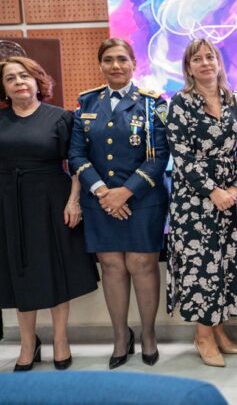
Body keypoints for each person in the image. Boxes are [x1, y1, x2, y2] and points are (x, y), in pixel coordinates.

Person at [68, 38, 169, 369]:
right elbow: (76, 154)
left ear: (133, 63)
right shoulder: (86, 103)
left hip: (143, 200)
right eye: (108, 59)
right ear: (100, 64)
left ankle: (149, 335)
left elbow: (159, 156)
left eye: (122, 59)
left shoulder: (152, 104)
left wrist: (125, 192)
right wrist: (102, 192)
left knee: (142, 264)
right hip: (100, 201)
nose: (115, 65)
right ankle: (120, 337)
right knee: (111, 266)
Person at [0, 57, 99, 371]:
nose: (19, 82)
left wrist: (74, 201)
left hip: (53, 201)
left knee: (56, 271)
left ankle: (60, 340)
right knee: (18, 272)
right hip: (9, 203)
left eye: (24, 76)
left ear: (37, 81)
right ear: (4, 88)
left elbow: (76, 164)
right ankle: (27, 343)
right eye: (11, 78)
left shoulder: (61, 118)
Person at [166, 39, 237, 368]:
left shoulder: (236, 101)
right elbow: (182, 156)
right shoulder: (180, 103)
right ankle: (202, 336)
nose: (205, 63)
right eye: (197, 59)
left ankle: (218, 329)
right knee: (202, 266)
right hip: (194, 201)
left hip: (230, 198)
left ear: (219, 62)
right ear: (188, 68)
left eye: (210, 57)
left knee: (226, 264)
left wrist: (235, 186)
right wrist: (212, 191)